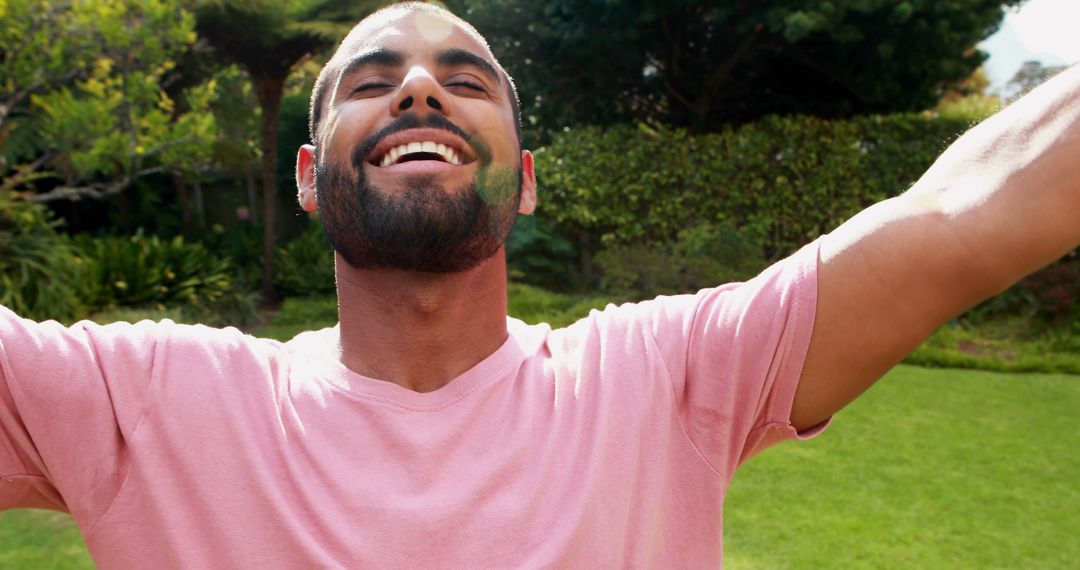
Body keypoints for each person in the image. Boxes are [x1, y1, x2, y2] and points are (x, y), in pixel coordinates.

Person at [1, 2, 1077, 567]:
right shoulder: (137, 402)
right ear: (310, 179)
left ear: (522, 185)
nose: (420, 86)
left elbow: (963, 215)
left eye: (465, 81)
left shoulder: (664, 379)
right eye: (373, 82)